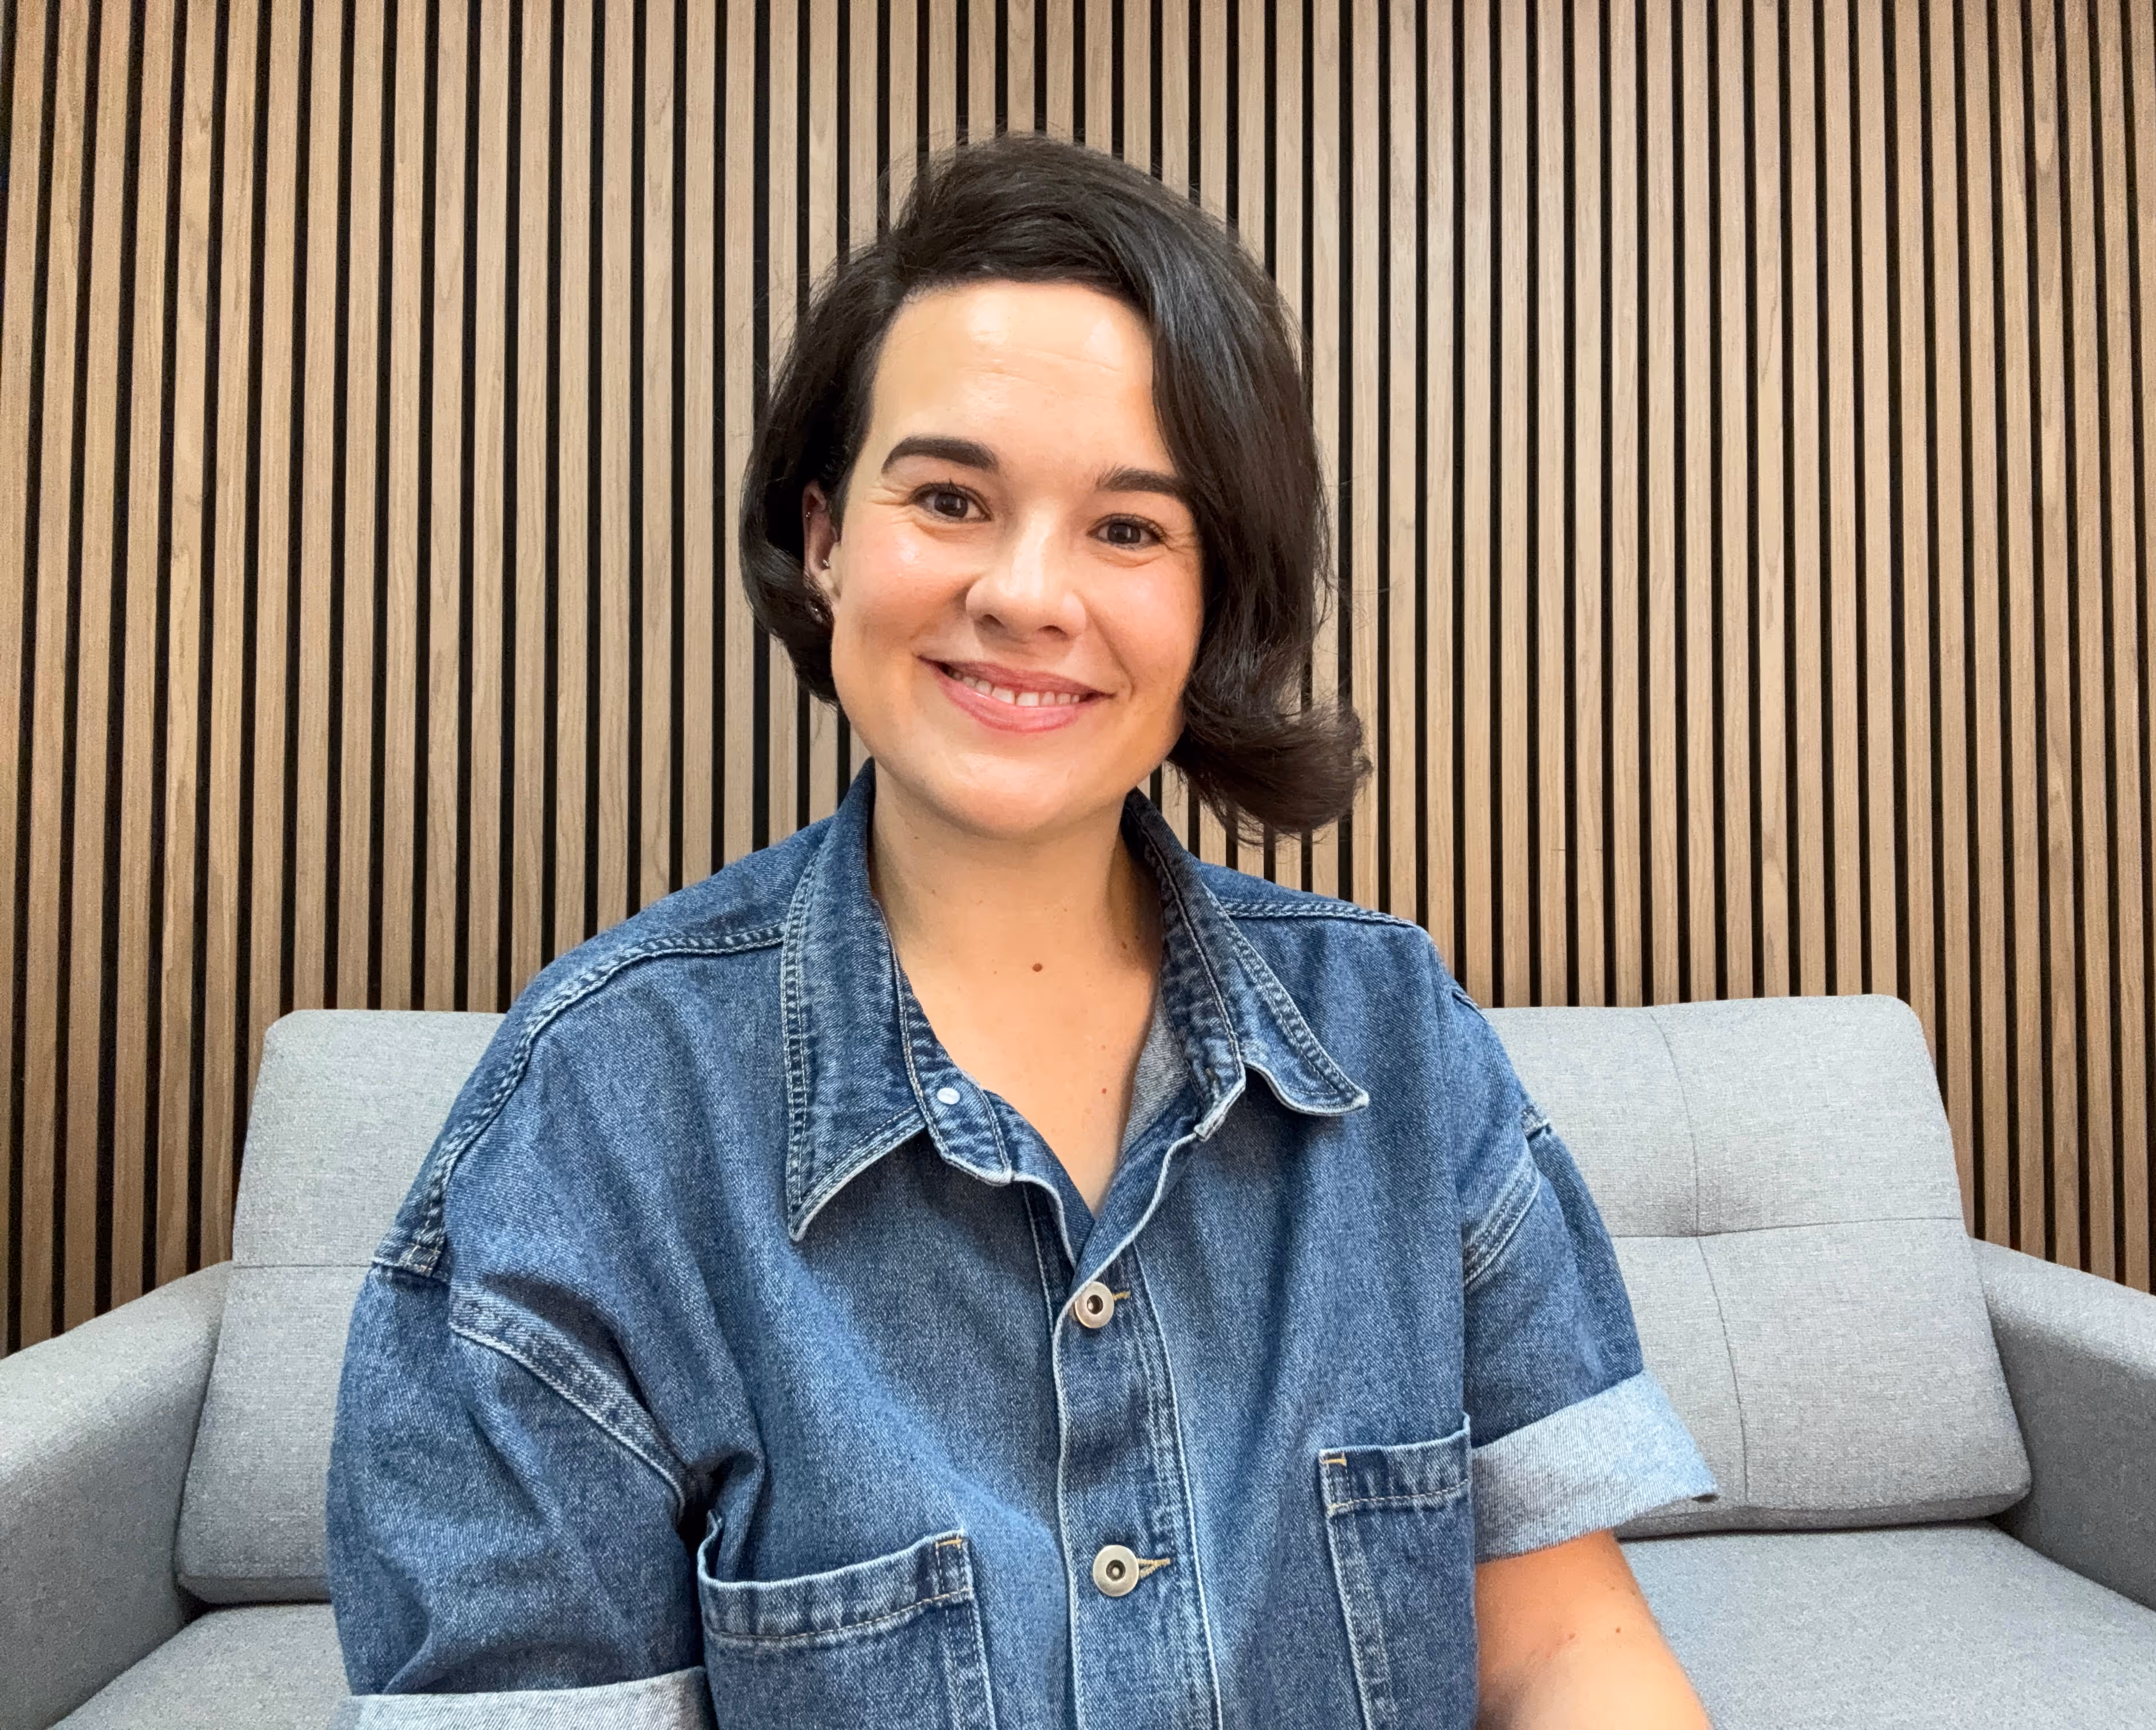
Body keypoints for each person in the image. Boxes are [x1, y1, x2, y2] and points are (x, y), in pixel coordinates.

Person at [324, 130, 1719, 1729]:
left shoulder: (1390, 1031)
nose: (1028, 594)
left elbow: (1562, 1647)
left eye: (1130, 530)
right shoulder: (598, 1114)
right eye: (950, 498)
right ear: (826, 538)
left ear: (1213, 600)